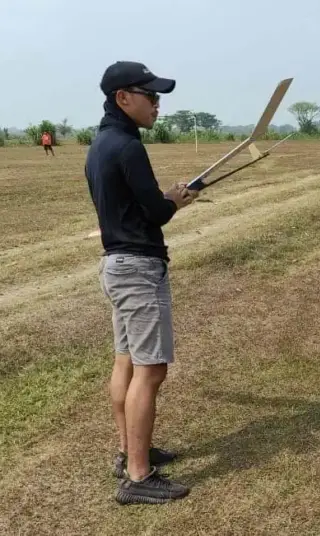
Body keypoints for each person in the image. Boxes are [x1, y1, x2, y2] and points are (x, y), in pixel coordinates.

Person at [84, 61, 199, 505]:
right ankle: (137, 475)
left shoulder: (100, 144)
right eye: (150, 96)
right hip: (137, 270)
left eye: (159, 96)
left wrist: (166, 199)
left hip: (116, 264)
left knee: (126, 363)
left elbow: (135, 206)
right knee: (151, 369)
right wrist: (174, 200)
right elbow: (154, 213)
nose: (157, 104)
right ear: (123, 98)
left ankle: (128, 450)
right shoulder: (128, 146)